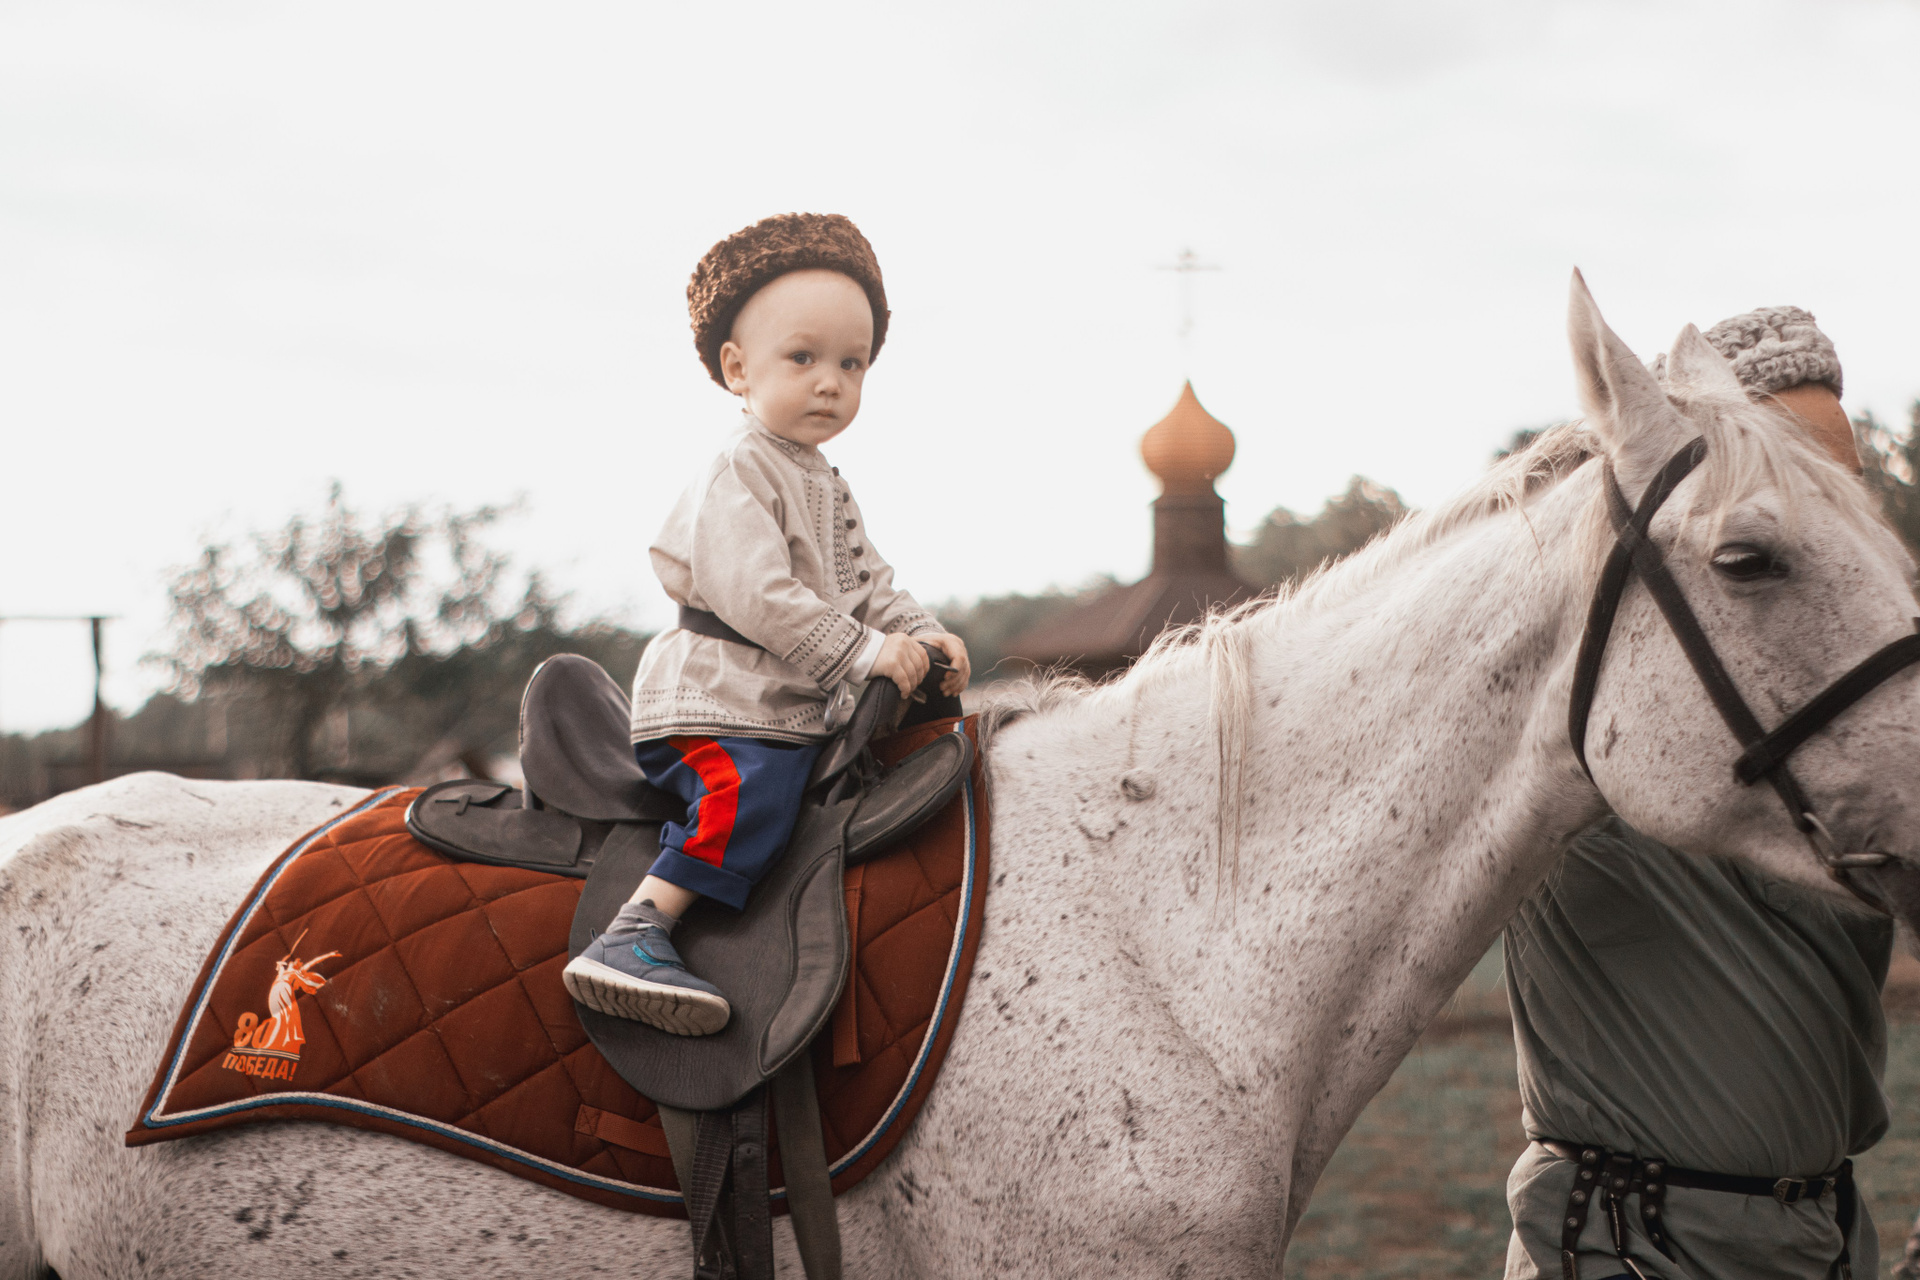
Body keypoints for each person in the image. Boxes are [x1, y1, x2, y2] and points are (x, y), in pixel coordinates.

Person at [1502, 305, 1894, 1280]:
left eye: (1845, 481)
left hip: (1829, 1239)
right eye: (1795, 477)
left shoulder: (1861, 735)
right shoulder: (1588, 707)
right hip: (1625, 1243)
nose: (1833, 508)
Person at [562, 213, 970, 1037]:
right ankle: (637, 927)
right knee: (752, 792)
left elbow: (868, 584)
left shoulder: (825, 481)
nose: (831, 384)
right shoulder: (738, 468)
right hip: (717, 701)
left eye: (852, 364)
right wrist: (865, 651)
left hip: (781, 701)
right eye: (803, 358)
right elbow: (757, 594)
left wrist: (924, 634)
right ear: (738, 369)